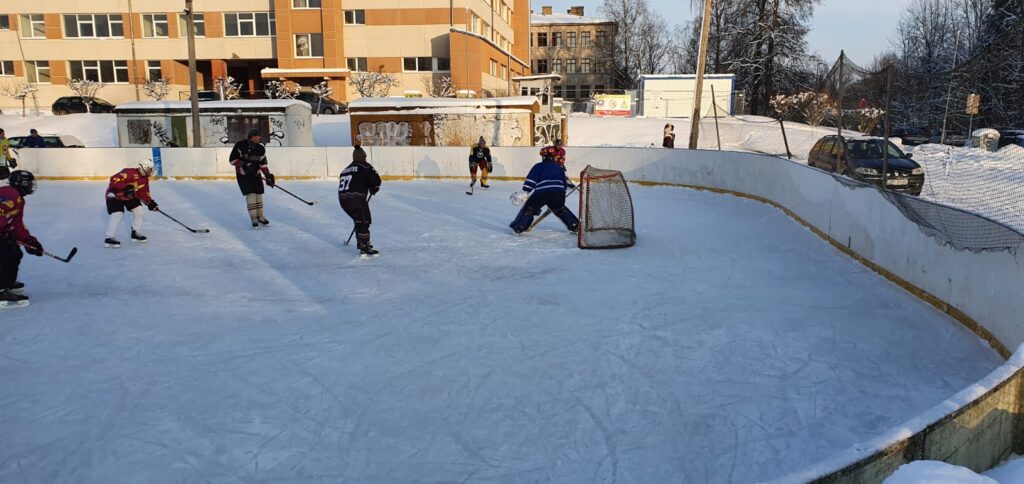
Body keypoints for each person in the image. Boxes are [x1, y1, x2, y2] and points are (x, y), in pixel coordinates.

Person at [0, 170, 43, 308]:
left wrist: (29, 241)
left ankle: (6, 283)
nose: (32, 185)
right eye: (29, 183)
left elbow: (16, 224)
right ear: (22, 183)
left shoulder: (18, 199)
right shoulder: (9, 194)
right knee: (7, 253)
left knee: (14, 252)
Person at [509, 152, 578, 235]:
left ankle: (519, 227)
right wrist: (560, 194)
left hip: (542, 193)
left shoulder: (538, 166)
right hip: (559, 193)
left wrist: (525, 191)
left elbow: (531, 180)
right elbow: (564, 183)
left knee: (530, 209)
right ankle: (575, 226)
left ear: (543, 159)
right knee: (560, 209)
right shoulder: (559, 167)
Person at [104, 159, 159, 248]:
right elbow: (114, 179)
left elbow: (143, 192)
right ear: (144, 168)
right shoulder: (129, 172)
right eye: (150, 169)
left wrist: (150, 202)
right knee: (118, 213)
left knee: (139, 212)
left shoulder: (145, 179)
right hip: (115, 195)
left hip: (129, 196)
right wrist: (125, 186)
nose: (151, 171)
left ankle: (135, 234)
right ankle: (109, 238)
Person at [339, 146, 382, 257]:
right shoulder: (364, 166)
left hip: (343, 201)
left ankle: (363, 242)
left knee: (359, 220)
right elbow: (376, 180)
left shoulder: (346, 169)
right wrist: (374, 187)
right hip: (356, 199)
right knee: (364, 221)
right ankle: (364, 245)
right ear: (363, 156)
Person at [230, 128, 276, 229]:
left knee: (259, 194)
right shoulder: (240, 145)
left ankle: (260, 216)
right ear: (252, 136)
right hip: (243, 175)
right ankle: (254, 218)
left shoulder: (261, 148)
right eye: (258, 136)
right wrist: (244, 164)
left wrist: (267, 175)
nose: (260, 137)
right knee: (251, 195)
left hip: (256, 174)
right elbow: (232, 160)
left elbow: (263, 164)